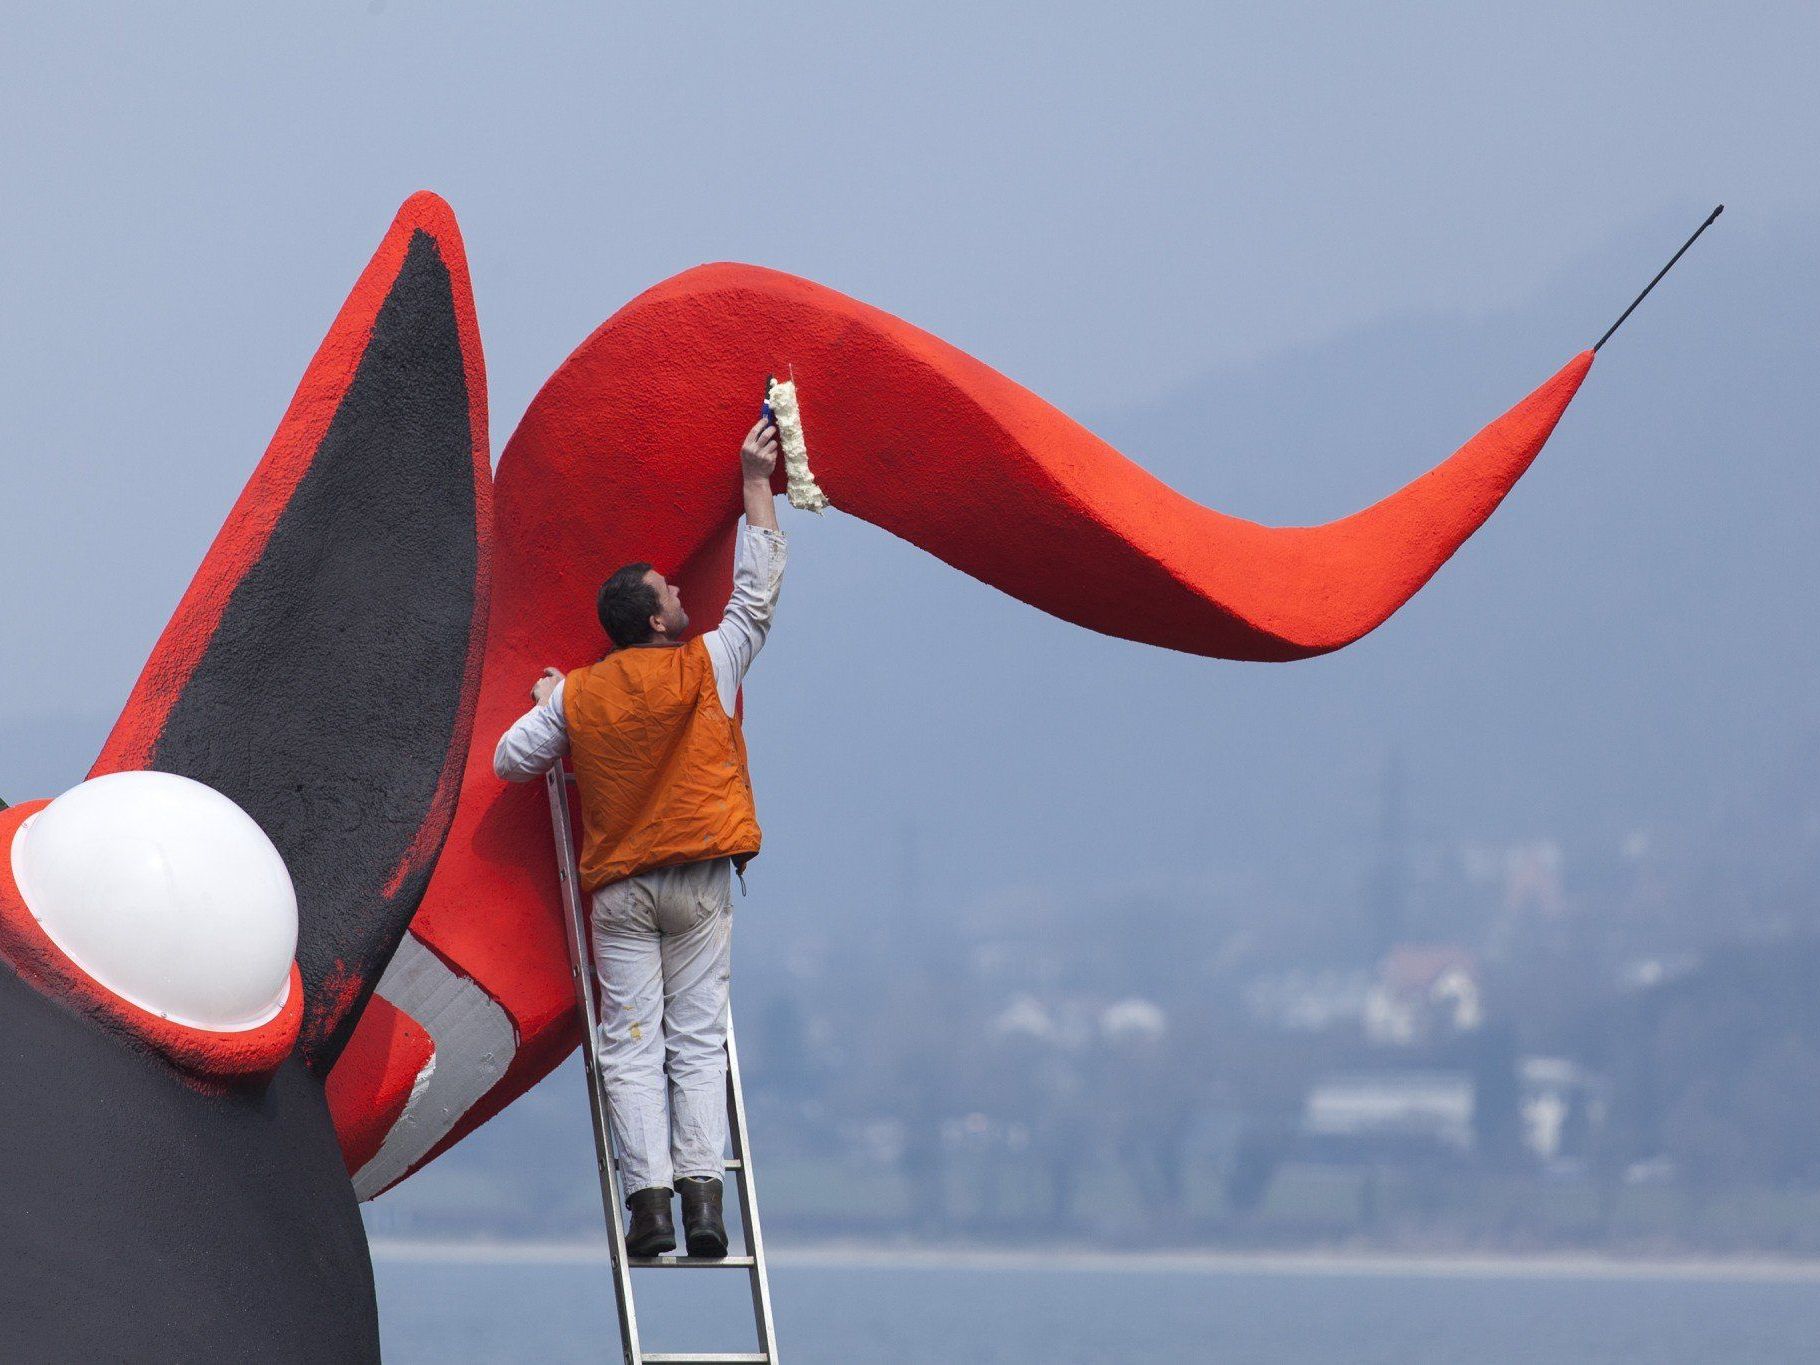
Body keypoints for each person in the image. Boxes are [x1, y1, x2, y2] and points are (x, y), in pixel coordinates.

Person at [493, 416, 786, 1258]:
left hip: (621, 891)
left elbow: (515, 760)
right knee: (696, 1047)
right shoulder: (708, 665)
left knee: (628, 1049)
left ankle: (647, 1210)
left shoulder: (584, 695)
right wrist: (754, 483)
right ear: (654, 621)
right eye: (669, 591)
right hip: (699, 882)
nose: (682, 596)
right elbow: (756, 595)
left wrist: (554, 699)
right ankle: (705, 1205)